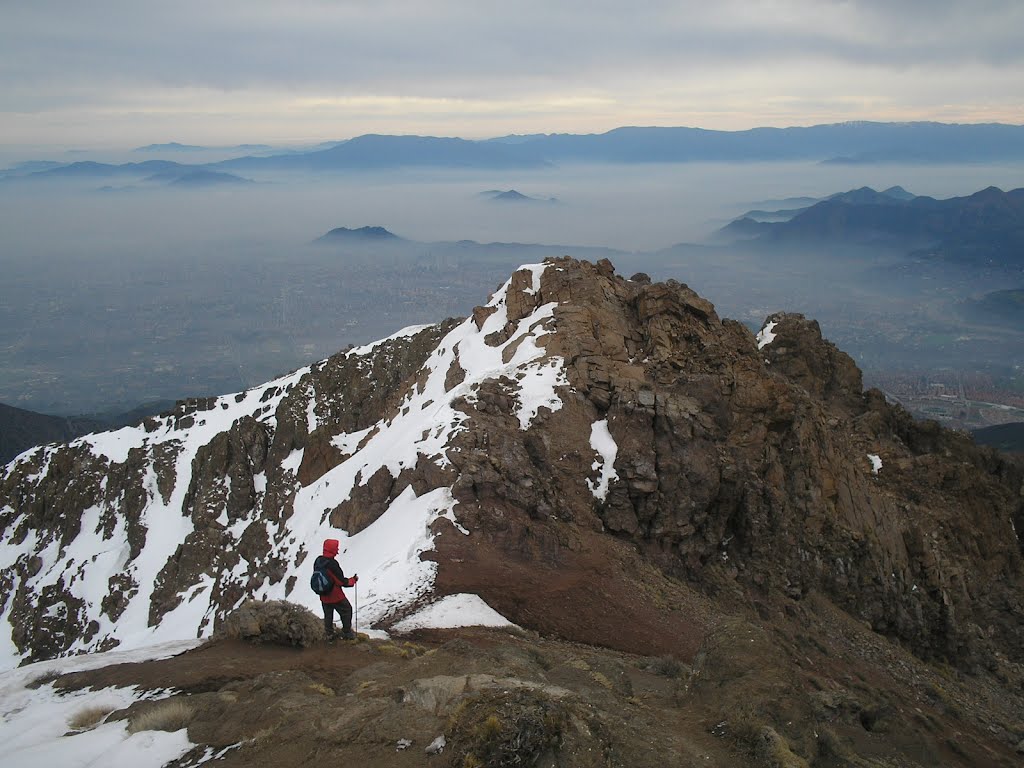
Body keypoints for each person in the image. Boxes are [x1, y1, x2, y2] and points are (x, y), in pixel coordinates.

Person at [315, 538, 358, 640]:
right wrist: (353, 580)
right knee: (347, 610)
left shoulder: (318, 560)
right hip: (335, 595)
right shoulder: (332, 564)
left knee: (328, 614)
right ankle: (347, 632)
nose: (337, 550)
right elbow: (341, 581)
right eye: (336, 548)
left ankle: (329, 634)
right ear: (332, 549)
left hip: (323, 594)